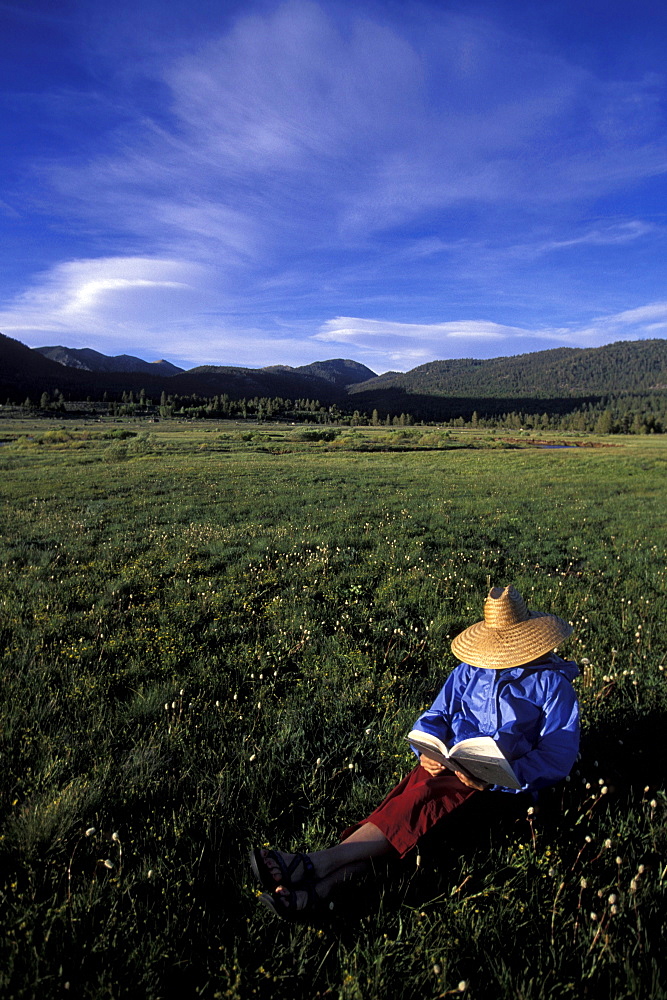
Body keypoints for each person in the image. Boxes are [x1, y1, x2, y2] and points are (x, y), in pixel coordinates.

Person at [249, 585, 579, 919]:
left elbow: (557, 757)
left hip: (499, 790)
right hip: (448, 765)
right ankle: (317, 892)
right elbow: (435, 716)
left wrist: (506, 776)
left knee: (415, 809)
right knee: (403, 811)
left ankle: (312, 864)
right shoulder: (470, 670)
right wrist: (428, 750)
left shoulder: (552, 686)